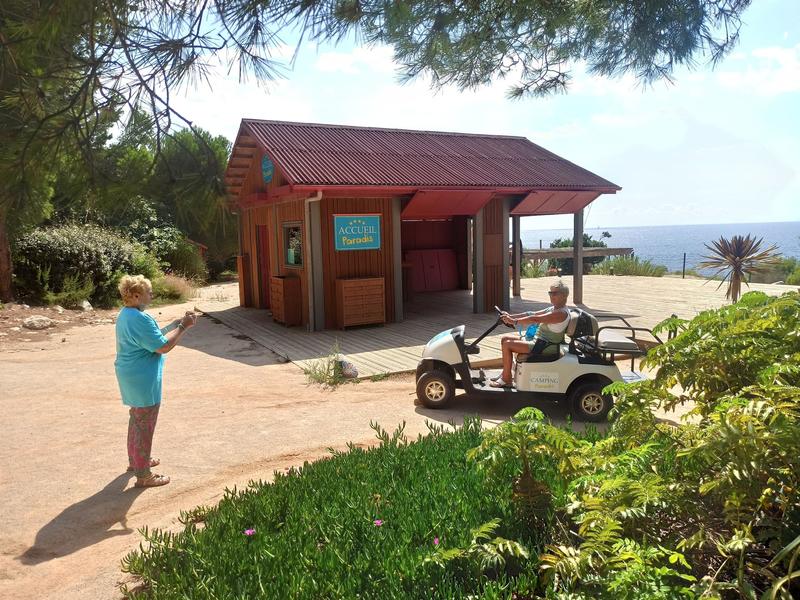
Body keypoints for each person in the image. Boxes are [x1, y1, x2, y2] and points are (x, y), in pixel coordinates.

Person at [115, 275, 197, 488]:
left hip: (130, 375)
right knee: (144, 424)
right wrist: (184, 327)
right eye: (148, 292)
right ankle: (144, 475)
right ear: (135, 295)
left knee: (137, 419)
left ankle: (137, 461)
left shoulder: (126, 314)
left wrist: (176, 324)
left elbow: (151, 338)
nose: (152, 295)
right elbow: (162, 346)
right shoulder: (139, 318)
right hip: (143, 379)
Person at [490, 280, 571, 388]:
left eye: (554, 293)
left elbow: (535, 319)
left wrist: (514, 321)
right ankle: (506, 373)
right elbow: (531, 314)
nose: (551, 296)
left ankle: (506, 379)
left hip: (546, 346)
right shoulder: (554, 308)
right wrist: (511, 316)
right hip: (539, 342)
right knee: (505, 339)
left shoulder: (561, 313)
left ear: (564, 295)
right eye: (550, 293)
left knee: (507, 345)